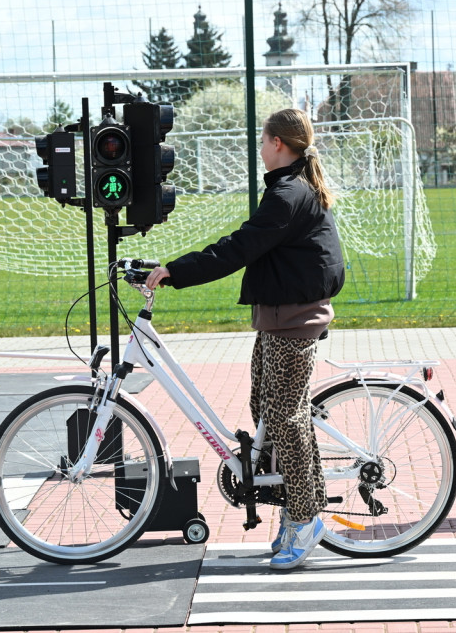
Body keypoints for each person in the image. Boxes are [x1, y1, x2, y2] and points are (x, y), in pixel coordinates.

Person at [146, 108, 344, 568]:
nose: (259, 146)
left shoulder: (288, 193)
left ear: (278, 143)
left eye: (263, 139)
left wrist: (177, 271)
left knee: (286, 417)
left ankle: (306, 516)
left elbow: (239, 247)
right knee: (266, 412)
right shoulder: (290, 188)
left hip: (294, 321)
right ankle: (292, 505)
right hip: (279, 318)